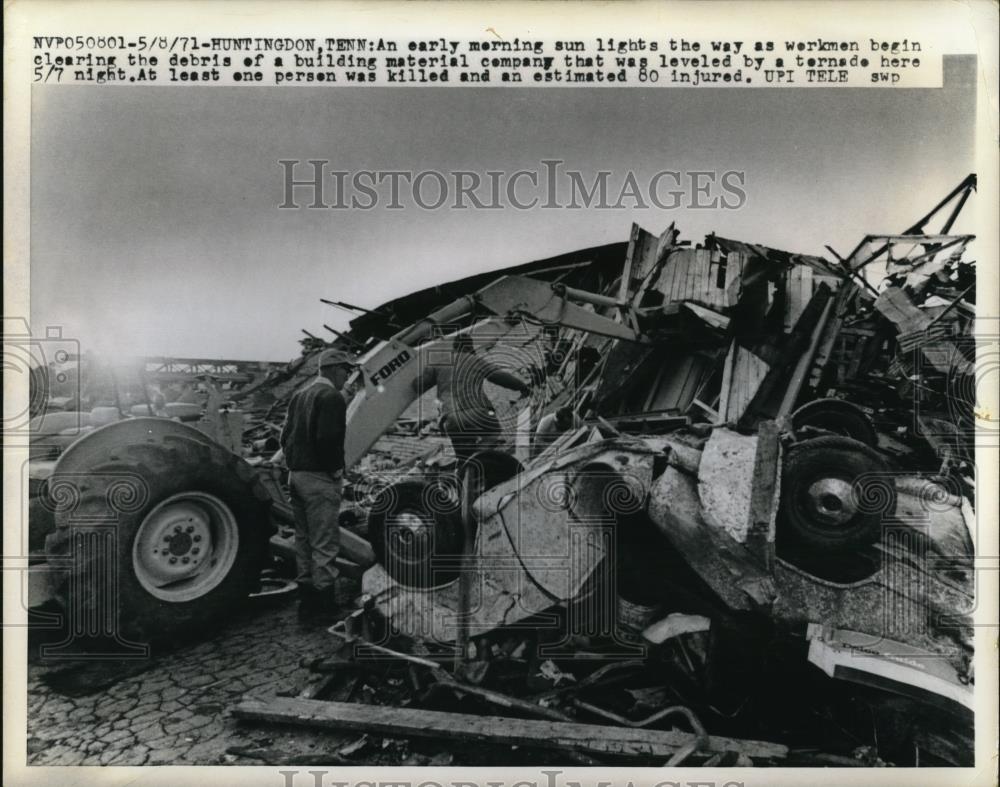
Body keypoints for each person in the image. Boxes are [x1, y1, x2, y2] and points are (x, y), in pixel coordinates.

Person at [280, 348, 358, 622]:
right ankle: (326, 607)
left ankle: (307, 604)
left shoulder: (300, 396)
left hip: (296, 476)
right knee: (325, 543)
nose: (346, 377)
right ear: (335, 369)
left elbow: (284, 437)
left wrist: (294, 463)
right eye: (346, 371)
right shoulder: (331, 397)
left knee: (303, 541)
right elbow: (328, 439)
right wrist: (336, 469)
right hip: (318, 479)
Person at [413, 333, 531, 466]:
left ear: (454, 346)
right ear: (470, 346)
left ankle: (467, 471)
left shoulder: (438, 363)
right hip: (477, 412)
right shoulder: (474, 360)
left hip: (451, 419)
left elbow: (418, 386)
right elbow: (499, 376)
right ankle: (479, 455)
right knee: (493, 433)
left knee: (462, 455)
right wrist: (522, 387)